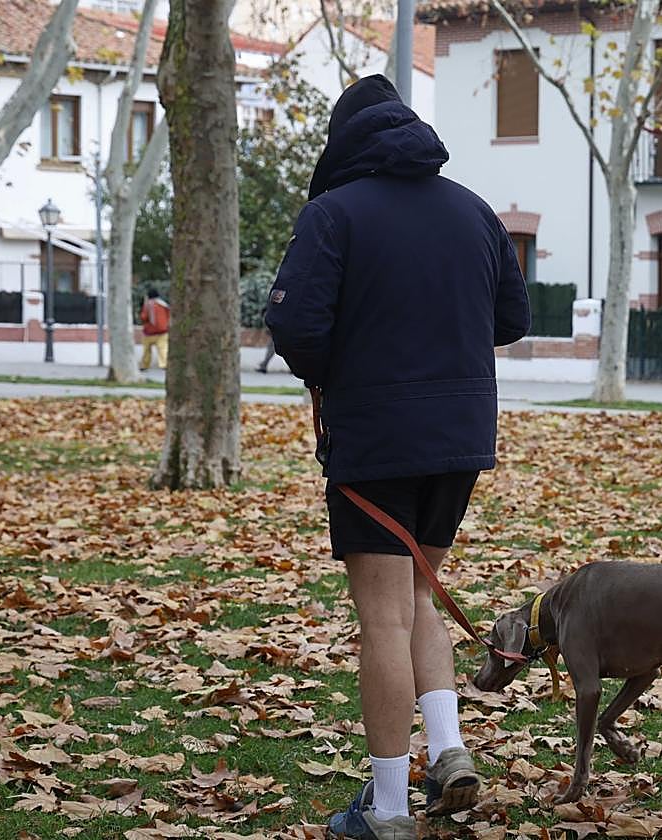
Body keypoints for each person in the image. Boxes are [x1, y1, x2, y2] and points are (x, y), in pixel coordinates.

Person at [266, 75, 530, 840]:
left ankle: (386, 809)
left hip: (375, 437)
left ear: (344, 144)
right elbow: (510, 318)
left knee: (380, 617)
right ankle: (447, 750)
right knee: (419, 594)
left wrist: (337, 370)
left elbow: (296, 326)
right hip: (461, 437)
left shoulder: (334, 214)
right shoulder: (476, 211)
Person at [139, 288, 169, 371]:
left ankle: (144, 366)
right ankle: (164, 364)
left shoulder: (148, 305)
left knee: (146, 350)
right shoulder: (164, 304)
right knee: (163, 349)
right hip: (163, 331)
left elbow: (144, 317)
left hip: (149, 332)